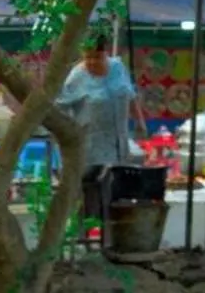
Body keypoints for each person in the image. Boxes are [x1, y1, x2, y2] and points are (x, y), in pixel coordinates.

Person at [56, 36, 146, 218]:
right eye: (87, 57)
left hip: (118, 144)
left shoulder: (118, 68)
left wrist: (140, 121)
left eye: (97, 57)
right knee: (88, 197)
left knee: (115, 194)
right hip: (90, 148)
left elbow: (129, 94)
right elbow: (60, 107)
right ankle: (83, 237)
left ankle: (112, 236)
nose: (91, 62)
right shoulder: (77, 76)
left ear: (105, 54)